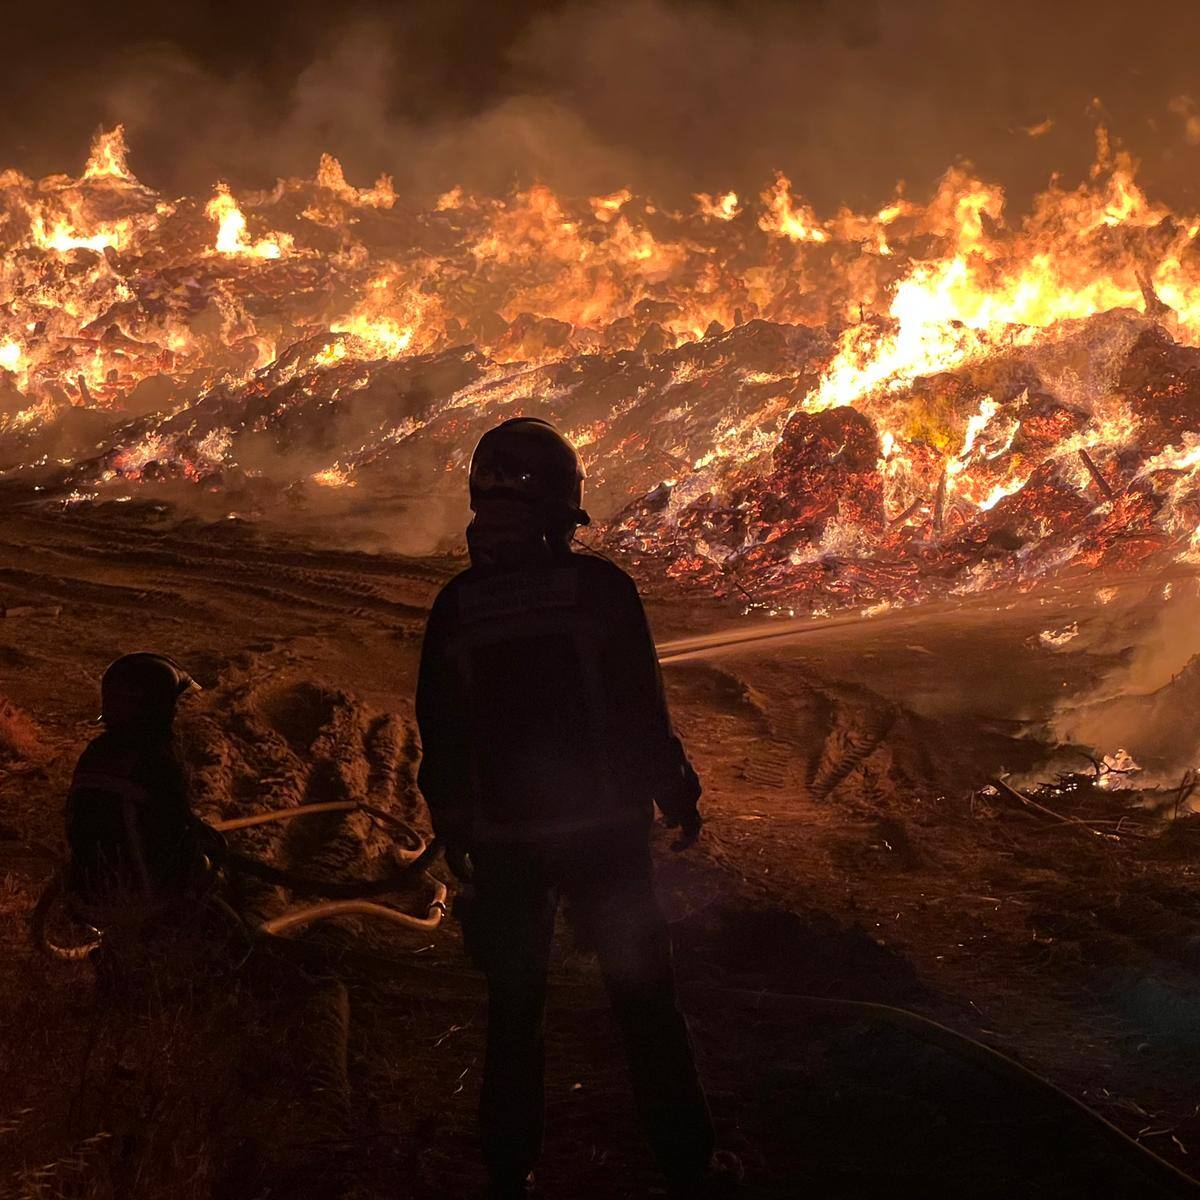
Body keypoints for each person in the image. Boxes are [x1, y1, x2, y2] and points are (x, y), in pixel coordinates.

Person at [416, 418, 731, 1198]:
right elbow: (640, 715)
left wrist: (455, 827)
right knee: (644, 1006)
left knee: (514, 1012)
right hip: (606, 838)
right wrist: (677, 793)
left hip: (507, 843)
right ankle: (688, 1168)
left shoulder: (456, 608)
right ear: (562, 511)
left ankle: (508, 1171)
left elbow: (441, 734)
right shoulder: (601, 592)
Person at [66, 652, 214, 908]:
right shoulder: (158, 761)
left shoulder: (97, 749)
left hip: (88, 885)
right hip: (144, 892)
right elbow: (174, 825)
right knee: (211, 858)